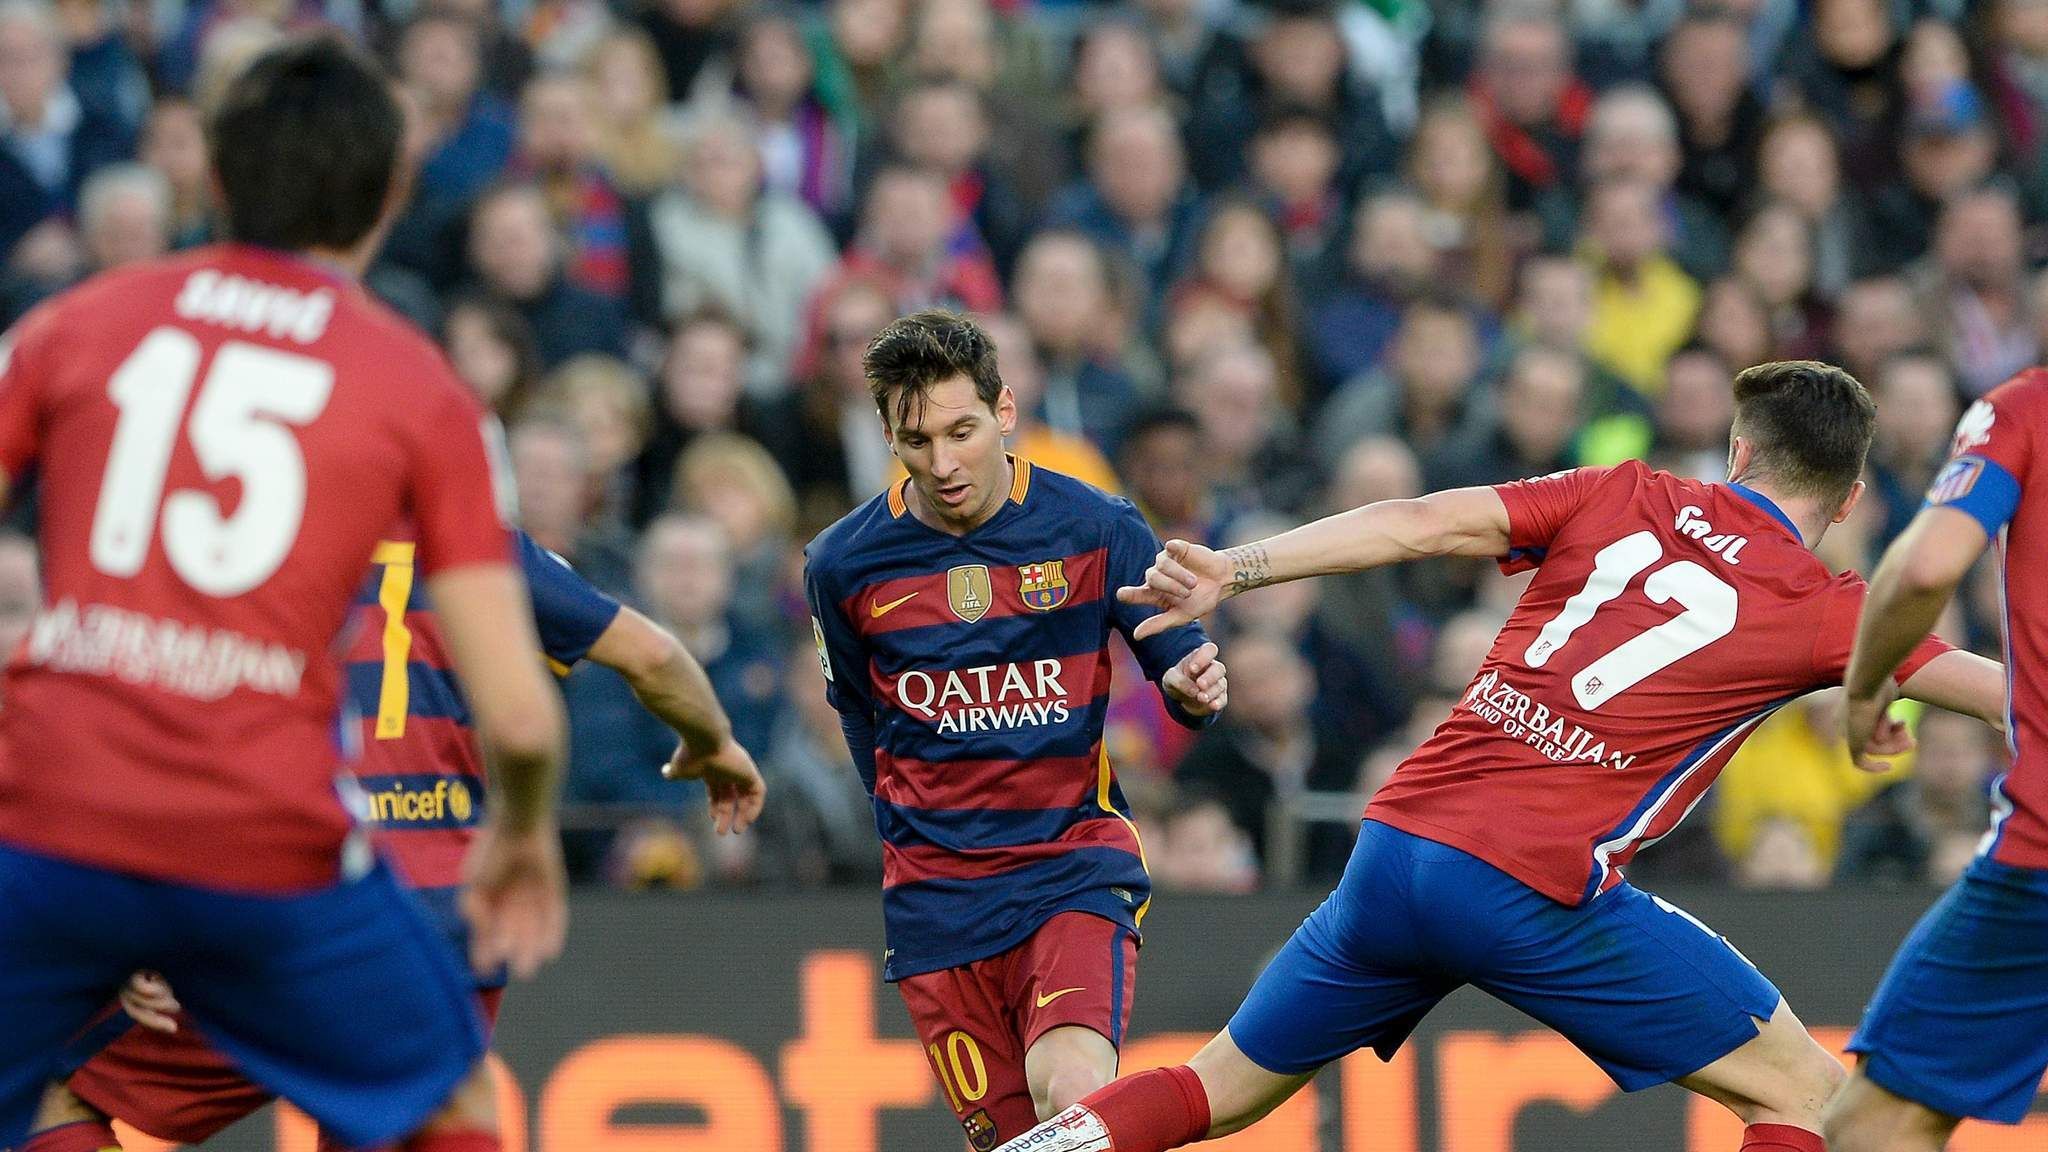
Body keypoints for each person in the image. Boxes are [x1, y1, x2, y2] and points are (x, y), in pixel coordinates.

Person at [988, 360, 2007, 1152]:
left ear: (1736, 451)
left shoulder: (1620, 491)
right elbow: (1998, 694)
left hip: (1395, 848)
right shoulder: (1822, 608)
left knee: (1214, 1094)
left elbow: (1420, 524)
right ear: (1853, 496)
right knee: (1806, 1096)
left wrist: (1238, 568)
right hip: (1527, 888)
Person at [0, 38, 567, 1151]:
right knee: (449, 1103)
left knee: (50, 1101)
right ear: (391, 197)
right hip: (263, 832)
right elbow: (515, 713)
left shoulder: (73, 323)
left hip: (54, 814)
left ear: (211, 175)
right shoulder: (417, 387)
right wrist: (528, 833)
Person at [26, 530, 764, 1152]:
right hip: (446, 926)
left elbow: (158, 733)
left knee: (44, 1087)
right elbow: (655, 657)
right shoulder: (484, 548)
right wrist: (715, 741)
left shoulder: (242, 548)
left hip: (296, 911)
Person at [803, 310, 1228, 1147]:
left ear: (1004, 410)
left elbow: (1176, 656)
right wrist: (900, 821)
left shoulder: (1096, 526)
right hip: (935, 901)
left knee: (1069, 1096)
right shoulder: (843, 565)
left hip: (1068, 866)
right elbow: (858, 711)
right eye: (917, 440)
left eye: (962, 430)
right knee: (1017, 1143)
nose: (945, 462)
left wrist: (1191, 686)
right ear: (887, 435)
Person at [1829, 366, 2048, 1148]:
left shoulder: (2024, 411)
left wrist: (1863, 687)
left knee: (1871, 1126)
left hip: (2041, 867)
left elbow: (1924, 567)